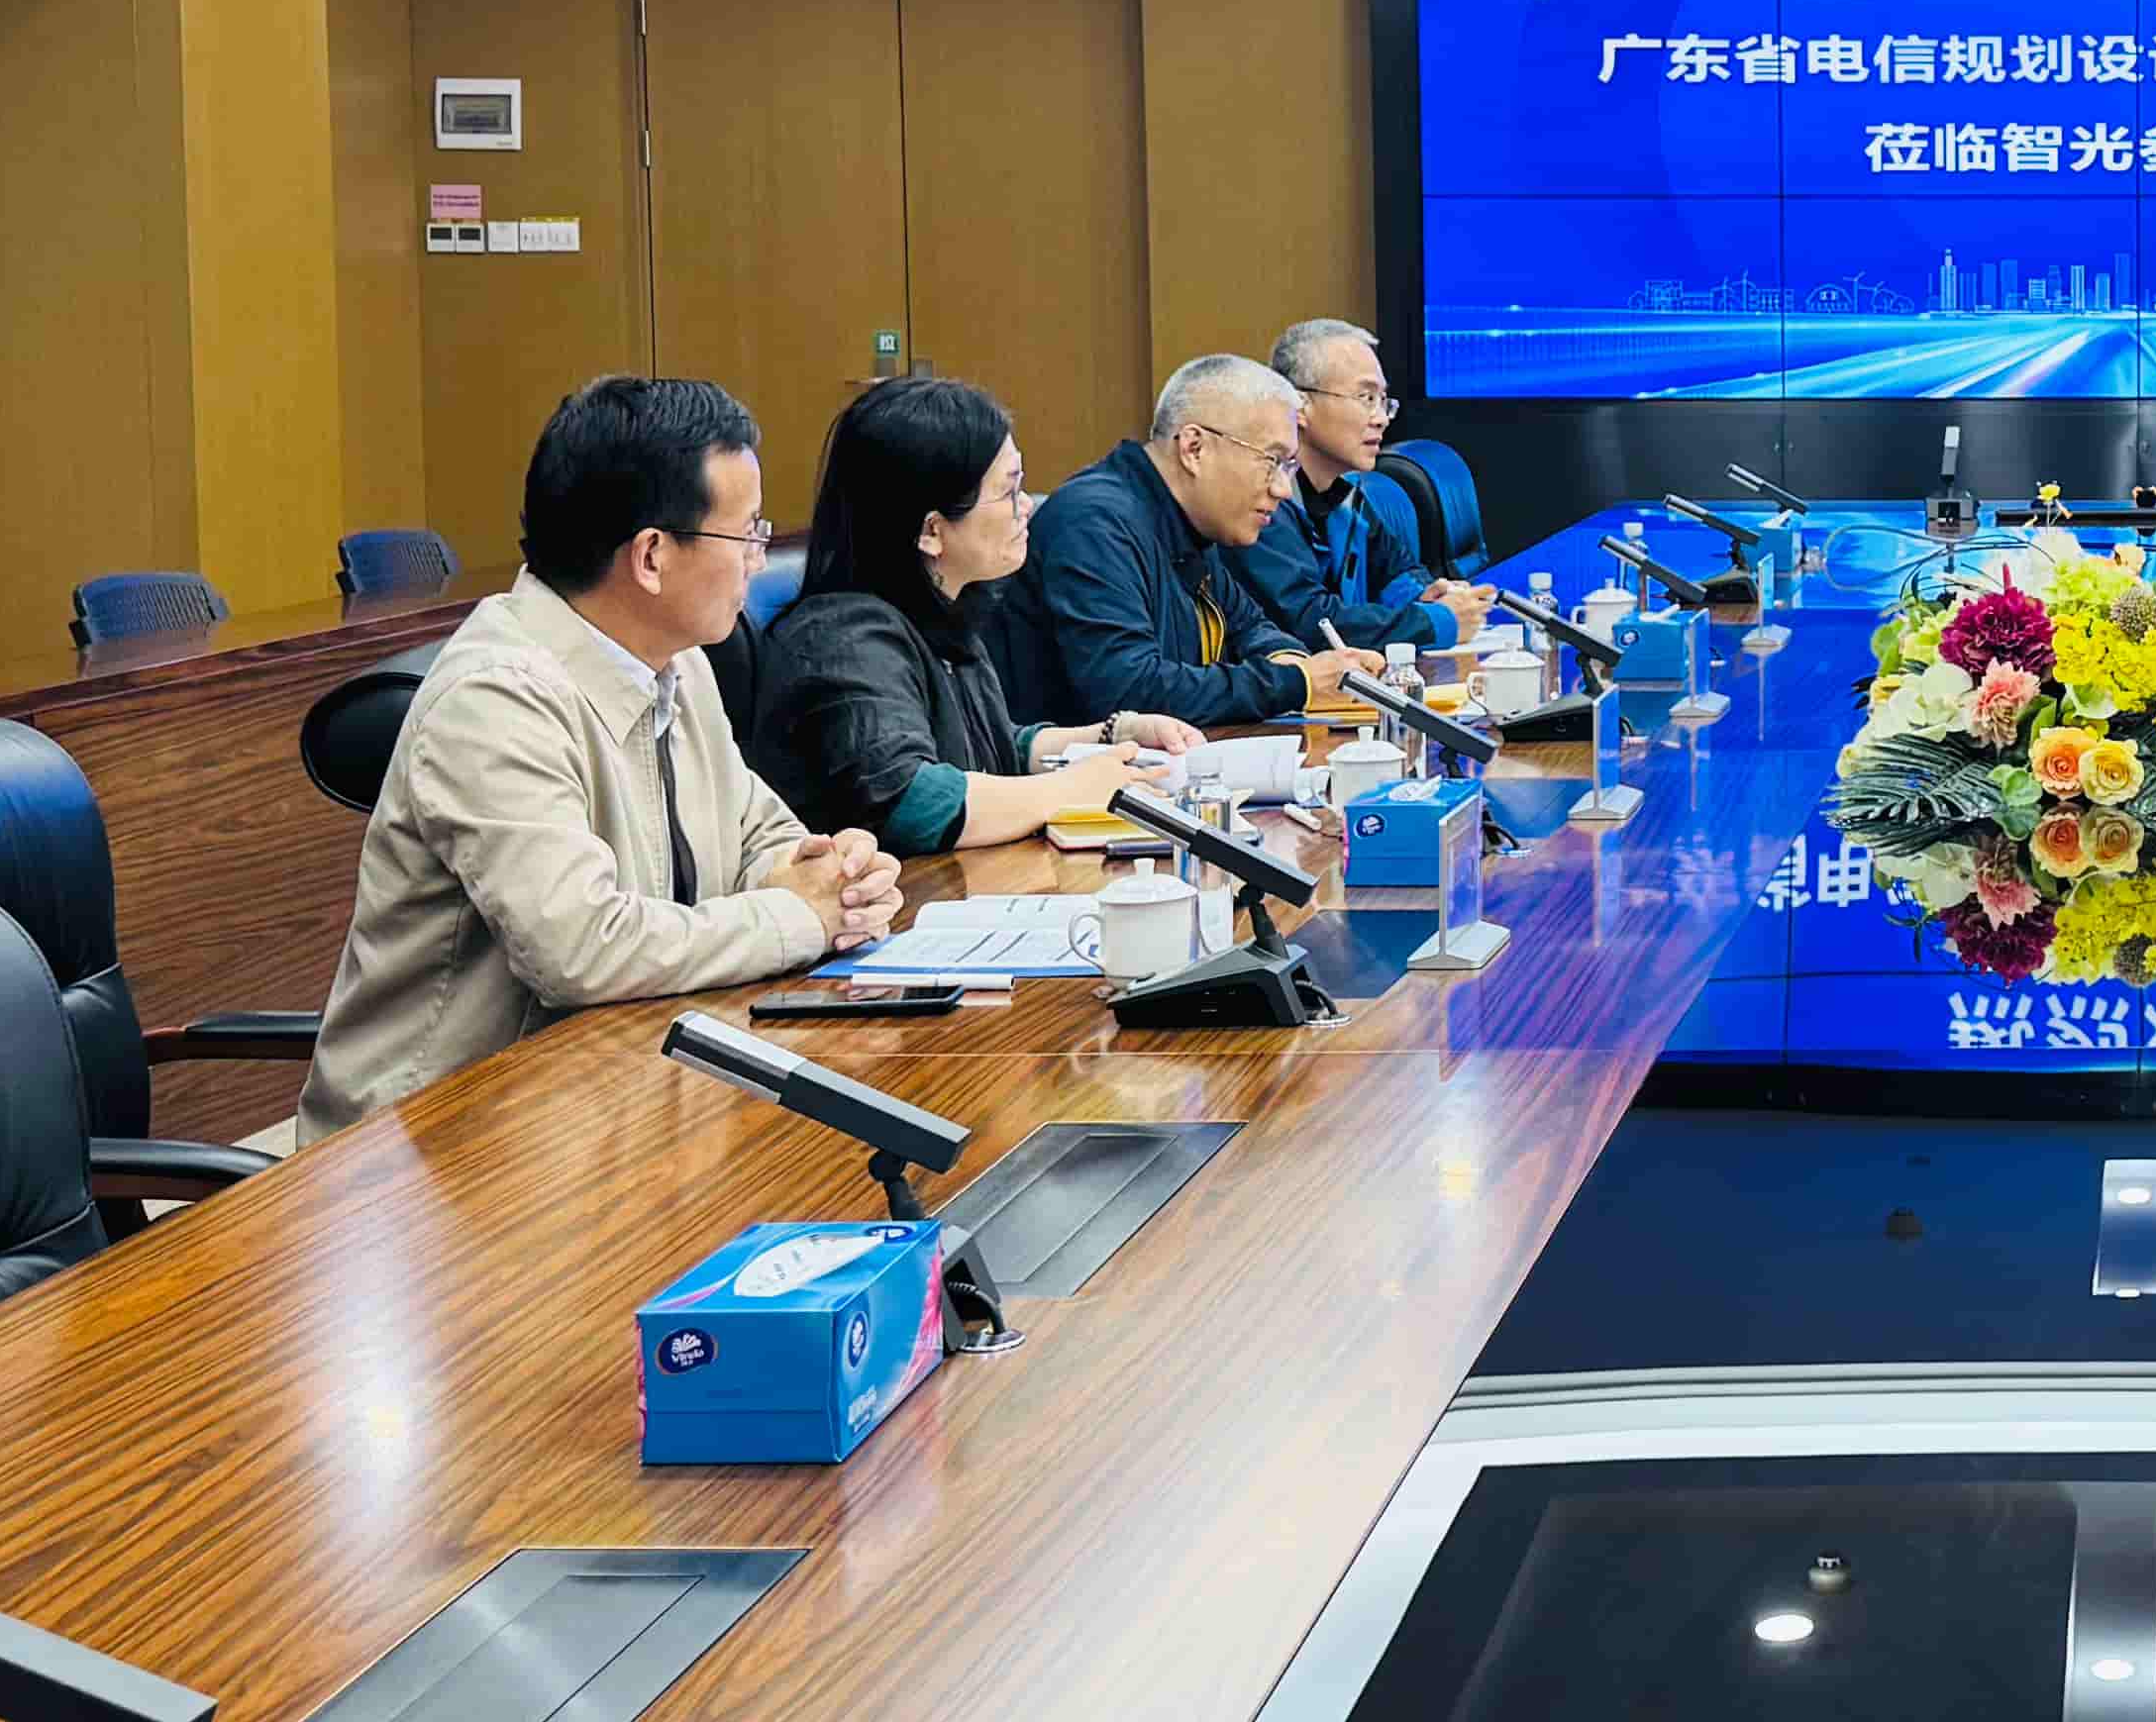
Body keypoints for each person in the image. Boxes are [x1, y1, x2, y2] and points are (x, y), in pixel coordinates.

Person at [302, 376, 901, 1141]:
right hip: (431, 1147)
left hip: (608, 1094)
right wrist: (799, 915)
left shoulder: (677, 662)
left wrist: (835, 879)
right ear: (651, 556)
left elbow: (757, 831)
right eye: (747, 534)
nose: (759, 559)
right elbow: (581, 948)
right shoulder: (496, 699)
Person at [752, 374, 1201, 852]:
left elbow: (990, 745)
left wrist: (1114, 736)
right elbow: (911, 800)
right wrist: (1071, 788)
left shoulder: (942, 608)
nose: (1025, 506)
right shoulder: (843, 638)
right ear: (931, 531)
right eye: (1008, 491)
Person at [989, 353, 1381, 735]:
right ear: (1194, 448)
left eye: (1289, 467)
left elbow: (1251, 627)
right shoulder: (1095, 523)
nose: (1282, 489)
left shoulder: (1188, 521)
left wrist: (1301, 667)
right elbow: (1129, 691)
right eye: (1272, 461)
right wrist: (1298, 682)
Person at [1243, 319, 1492, 656]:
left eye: (1383, 400)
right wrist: (1435, 622)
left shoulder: (1346, 495)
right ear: (1299, 407)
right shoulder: (1262, 505)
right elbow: (1311, 622)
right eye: (1366, 398)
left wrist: (1429, 595)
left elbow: (1395, 571)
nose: (1381, 418)